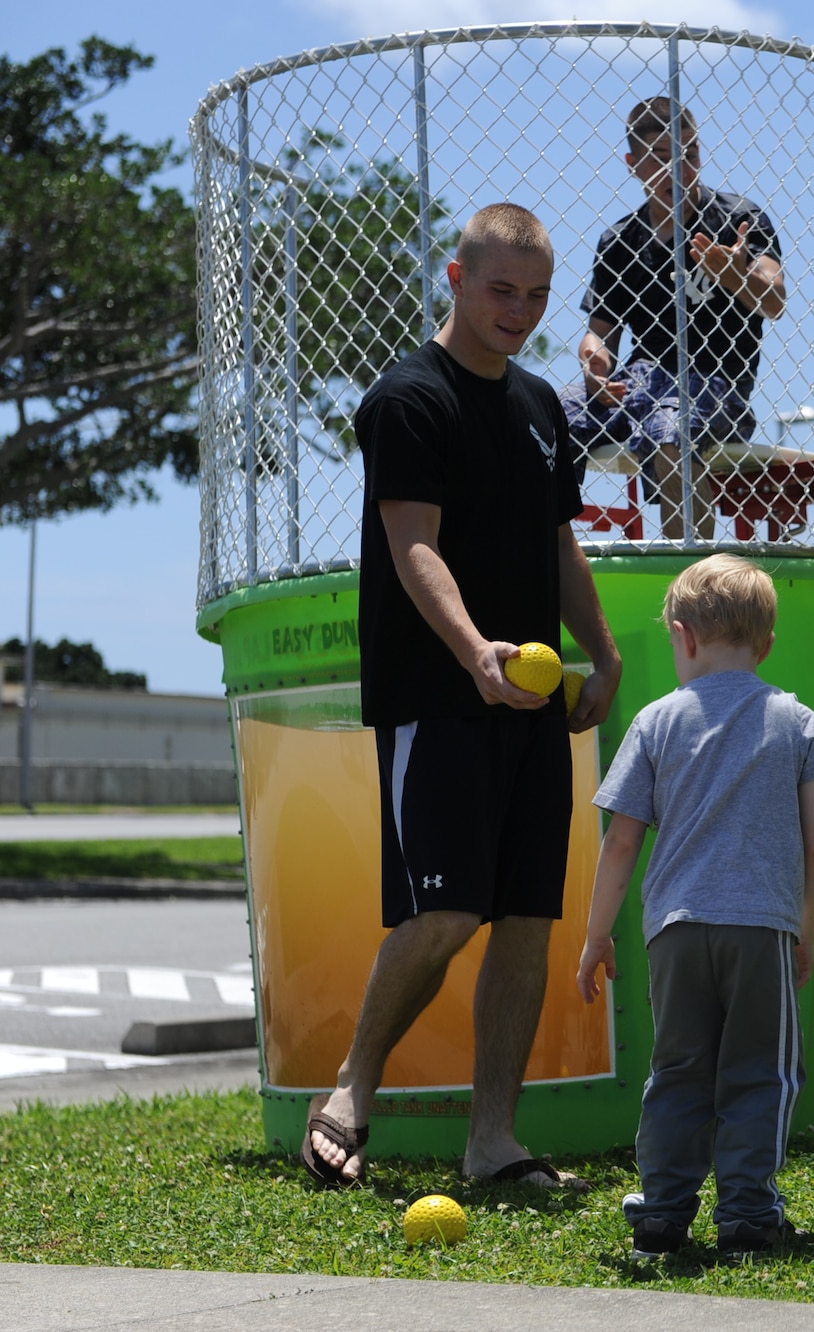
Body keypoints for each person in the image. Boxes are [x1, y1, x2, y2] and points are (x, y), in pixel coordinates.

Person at [301, 202, 623, 1192]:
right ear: (454, 276)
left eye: (534, 296)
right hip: (436, 697)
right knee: (444, 918)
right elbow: (412, 544)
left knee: (525, 920)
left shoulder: (540, 405)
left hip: (531, 707)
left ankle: (493, 1145)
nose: (518, 312)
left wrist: (601, 654)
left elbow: (554, 542)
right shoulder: (409, 398)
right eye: (500, 290)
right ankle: (352, 1089)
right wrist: (474, 650)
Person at [575, 554, 814, 1260]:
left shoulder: (655, 721)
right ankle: (749, 1217)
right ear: (767, 645)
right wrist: (804, 933)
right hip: (762, 929)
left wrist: (597, 934)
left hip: (676, 931)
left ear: (683, 635)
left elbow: (621, 843)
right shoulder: (797, 721)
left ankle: (663, 1214)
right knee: (761, 1069)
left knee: (679, 1069)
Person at [560, 96, 789, 540]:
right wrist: (595, 366)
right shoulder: (620, 240)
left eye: (690, 153)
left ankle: (691, 578)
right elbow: (599, 333)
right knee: (546, 416)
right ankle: (543, 556)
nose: (680, 169)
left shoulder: (738, 219)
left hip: (716, 379)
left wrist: (733, 275)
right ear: (633, 163)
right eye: (662, 158)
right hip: (640, 378)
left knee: (671, 427)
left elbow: (775, 300)